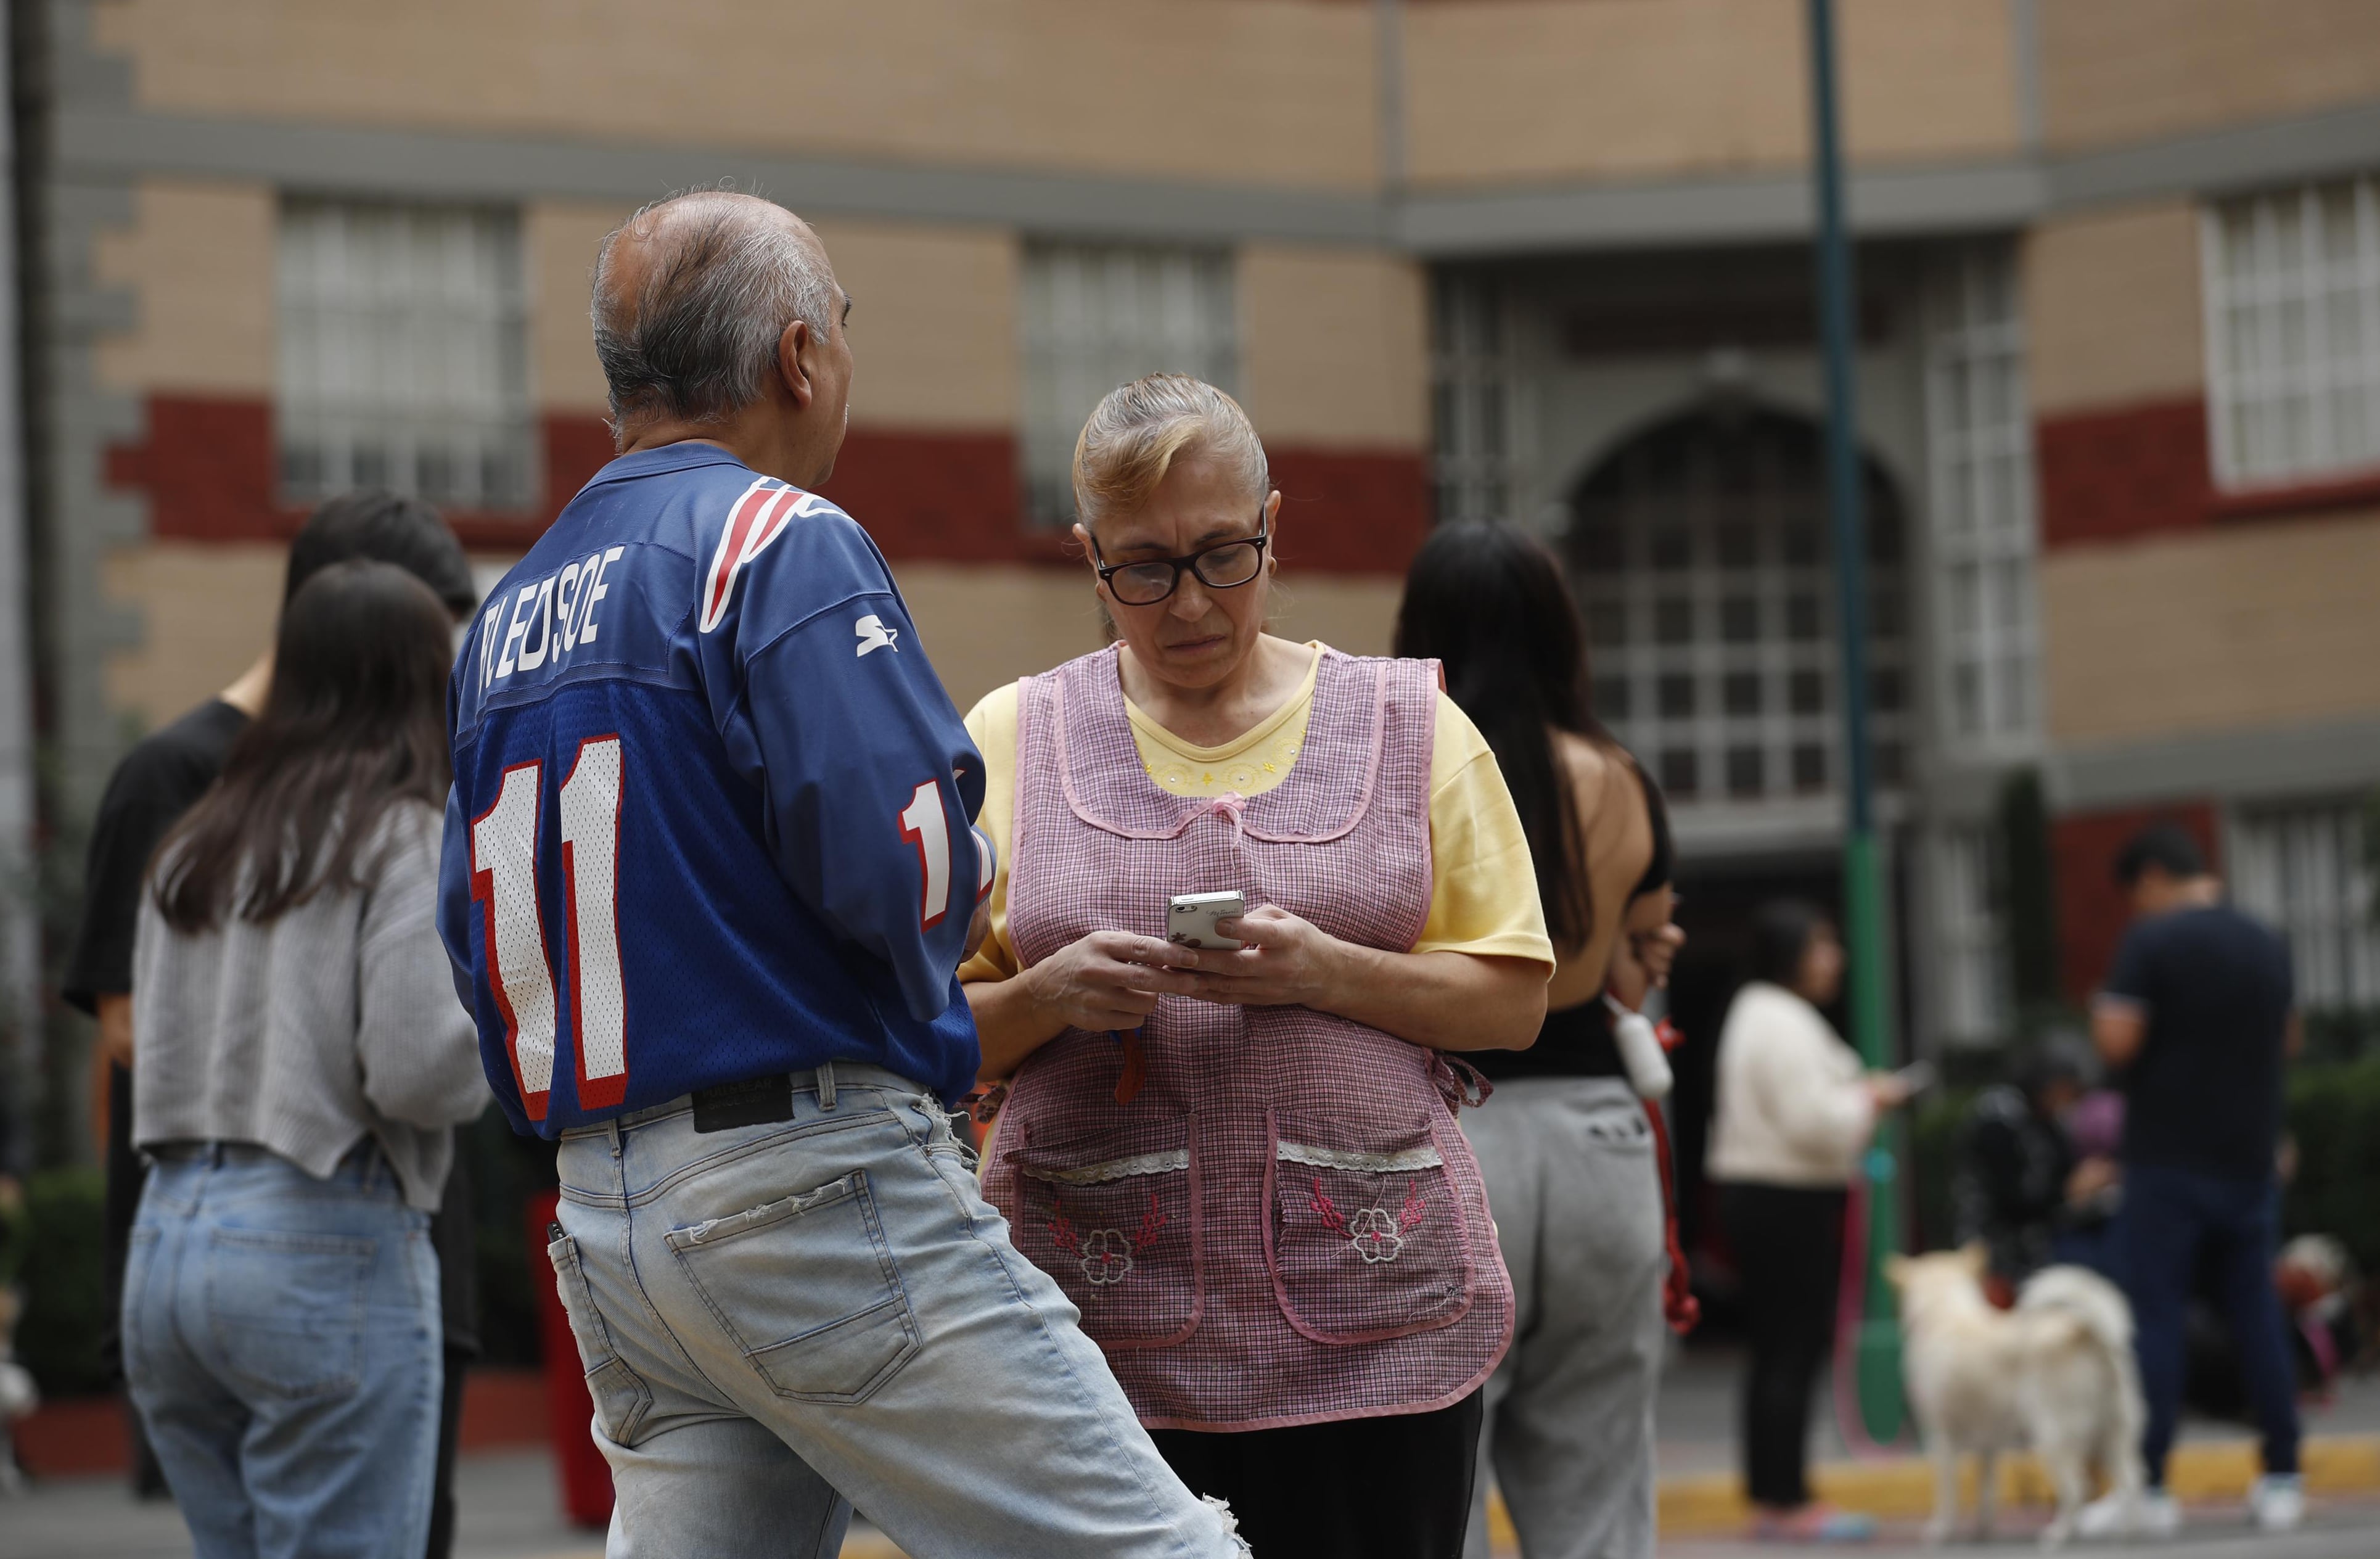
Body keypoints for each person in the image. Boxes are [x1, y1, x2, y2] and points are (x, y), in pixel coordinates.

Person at [437, 194, 1246, 1558]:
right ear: (800, 357)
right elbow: (906, 865)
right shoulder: (778, 537)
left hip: (605, 1211)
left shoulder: (506, 612)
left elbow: (476, 947)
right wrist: (973, 870)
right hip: (805, 1178)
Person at [962, 375, 1553, 1559]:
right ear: (1089, 557)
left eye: (1223, 555)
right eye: (1144, 567)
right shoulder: (1010, 735)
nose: (1189, 602)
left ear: (1274, 524)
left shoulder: (1413, 724)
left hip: (1372, 1322)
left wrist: (1325, 971)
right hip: (1098, 1329)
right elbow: (922, 1027)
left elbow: (1514, 998)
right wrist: (1047, 995)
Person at [60, 492, 486, 1543]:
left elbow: (144, 1042)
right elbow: (416, 1073)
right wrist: (508, 1023)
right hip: (321, 1232)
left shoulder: (199, 833)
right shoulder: (397, 830)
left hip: (170, 1243)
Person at [1390, 519, 1685, 1559]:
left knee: (1438, 1492)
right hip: (1601, 1147)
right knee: (1599, 1500)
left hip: (1453, 1143)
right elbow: (1636, 966)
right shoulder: (1622, 777)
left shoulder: (1405, 770)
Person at [2078, 824, 2304, 1537]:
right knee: (2255, 1313)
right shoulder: (2264, 940)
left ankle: (2148, 1485)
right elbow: (2287, 1038)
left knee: (2157, 1317)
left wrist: (2101, 1008)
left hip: (2165, 1160)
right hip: (2247, 1157)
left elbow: (2117, 1039)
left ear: (2149, 878)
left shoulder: (2151, 940)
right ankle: (2281, 1474)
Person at [1707, 900, 1910, 1543]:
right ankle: (1786, 1499)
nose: (1833, 958)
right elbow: (1812, 1122)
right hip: (1785, 1196)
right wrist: (1869, 1098)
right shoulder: (1779, 1018)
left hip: (1768, 1194)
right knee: (1790, 1349)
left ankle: (1774, 1496)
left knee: (1775, 1350)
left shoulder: (1760, 1012)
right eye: (1820, 944)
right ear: (1787, 951)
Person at [1951, 1041, 2117, 1297]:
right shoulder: (1998, 1115)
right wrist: (2069, 1190)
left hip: (2043, 1246)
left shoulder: (2048, 1120)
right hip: (1995, 1251)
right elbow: (2011, 1196)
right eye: (2066, 1088)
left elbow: (2062, 1172)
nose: (2069, 1099)